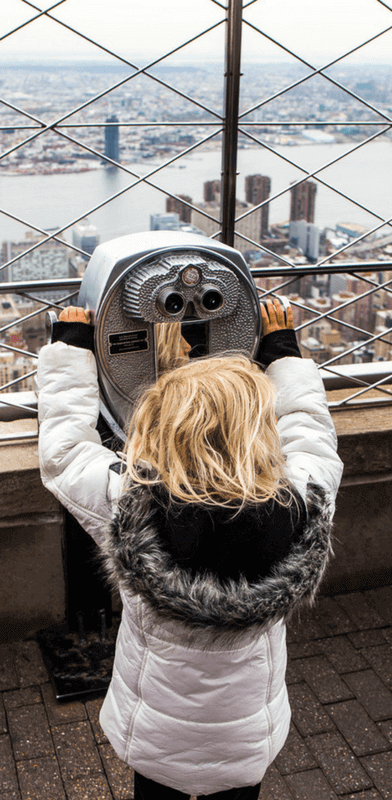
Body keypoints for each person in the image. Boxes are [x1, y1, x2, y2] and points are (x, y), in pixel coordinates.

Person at [38, 299, 343, 800]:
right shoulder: (303, 500)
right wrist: (283, 351)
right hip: (247, 741)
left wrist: (70, 353)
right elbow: (310, 430)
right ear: (260, 431)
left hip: (156, 739)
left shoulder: (129, 504)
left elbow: (64, 453)